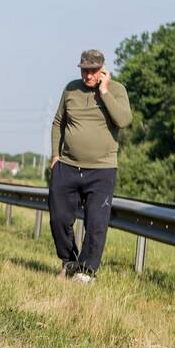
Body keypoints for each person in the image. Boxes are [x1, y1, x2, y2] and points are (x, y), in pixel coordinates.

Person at [48, 49, 133, 283]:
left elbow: (124, 120)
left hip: (102, 169)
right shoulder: (71, 89)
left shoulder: (116, 90)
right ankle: (69, 262)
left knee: (96, 223)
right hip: (67, 165)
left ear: (103, 70)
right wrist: (55, 155)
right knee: (59, 218)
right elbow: (58, 123)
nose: (88, 76)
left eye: (93, 71)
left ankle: (87, 271)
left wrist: (104, 92)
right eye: (84, 70)